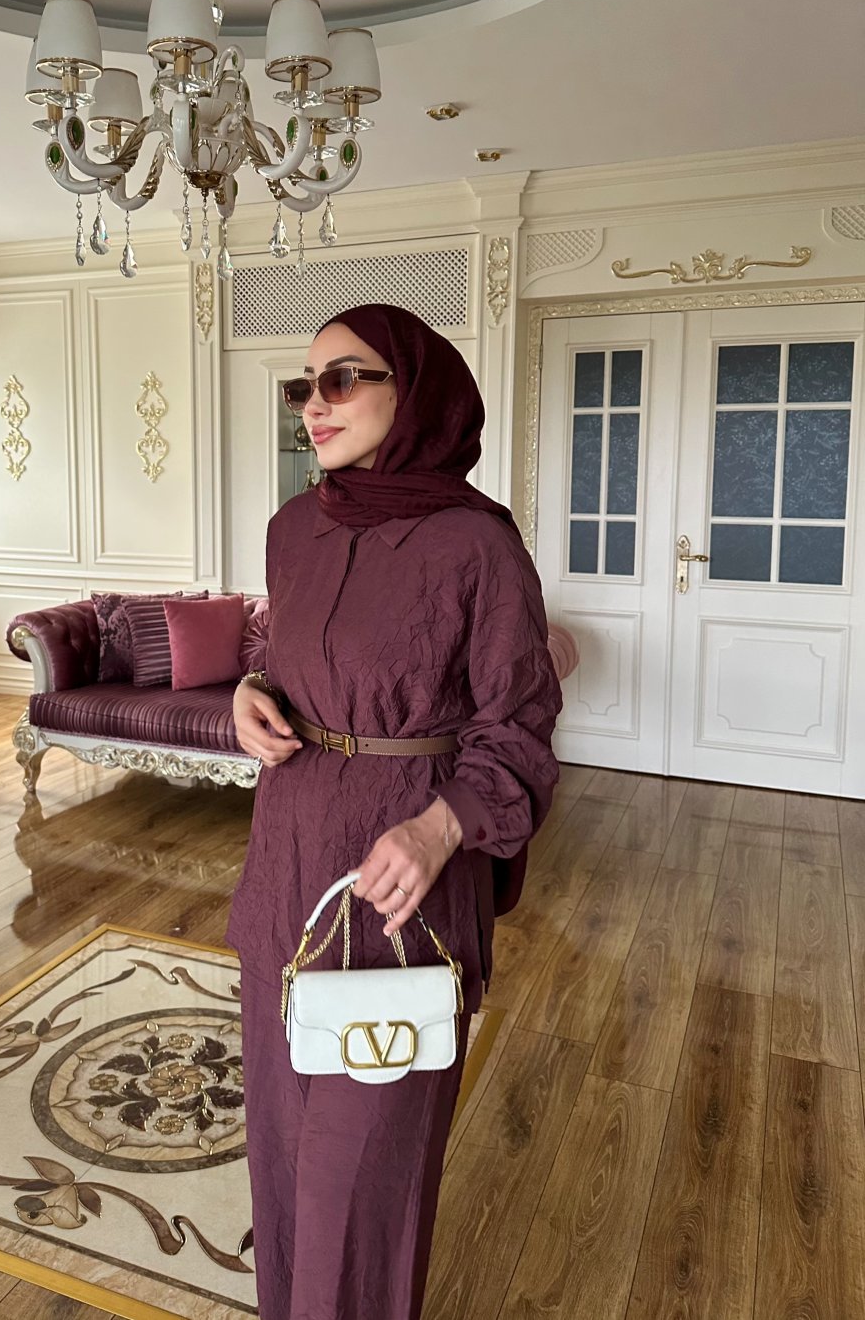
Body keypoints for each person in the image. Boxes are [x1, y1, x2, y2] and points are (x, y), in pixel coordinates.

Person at [224, 303, 561, 1320]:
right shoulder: (294, 527)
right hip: (287, 863)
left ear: (411, 390)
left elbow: (519, 722)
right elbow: (289, 662)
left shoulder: (476, 543)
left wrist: (440, 824)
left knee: (365, 1176)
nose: (313, 405)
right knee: (283, 1147)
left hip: (400, 879)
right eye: (305, 385)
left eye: (342, 378)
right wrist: (249, 691)